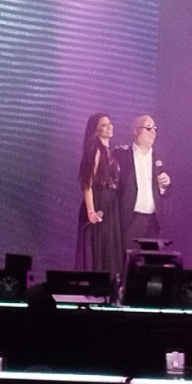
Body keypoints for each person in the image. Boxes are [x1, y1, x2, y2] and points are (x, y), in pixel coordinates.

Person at [74, 113, 124, 276]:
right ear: (95, 130)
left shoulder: (110, 152)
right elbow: (87, 183)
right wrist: (91, 211)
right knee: (98, 247)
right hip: (99, 202)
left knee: (108, 247)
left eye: (110, 123)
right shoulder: (95, 150)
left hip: (110, 204)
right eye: (104, 125)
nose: (109, 127)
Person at [114, 114, 172, 249]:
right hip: (131, 219)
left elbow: (168, 191)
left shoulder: (160, 157)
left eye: (155, 129)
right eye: (148, 128)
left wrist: (164, 186)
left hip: (153, 221)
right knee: (130, 257)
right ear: (135, 130)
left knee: (151, 259)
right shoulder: (122, 156)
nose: (153, 132)